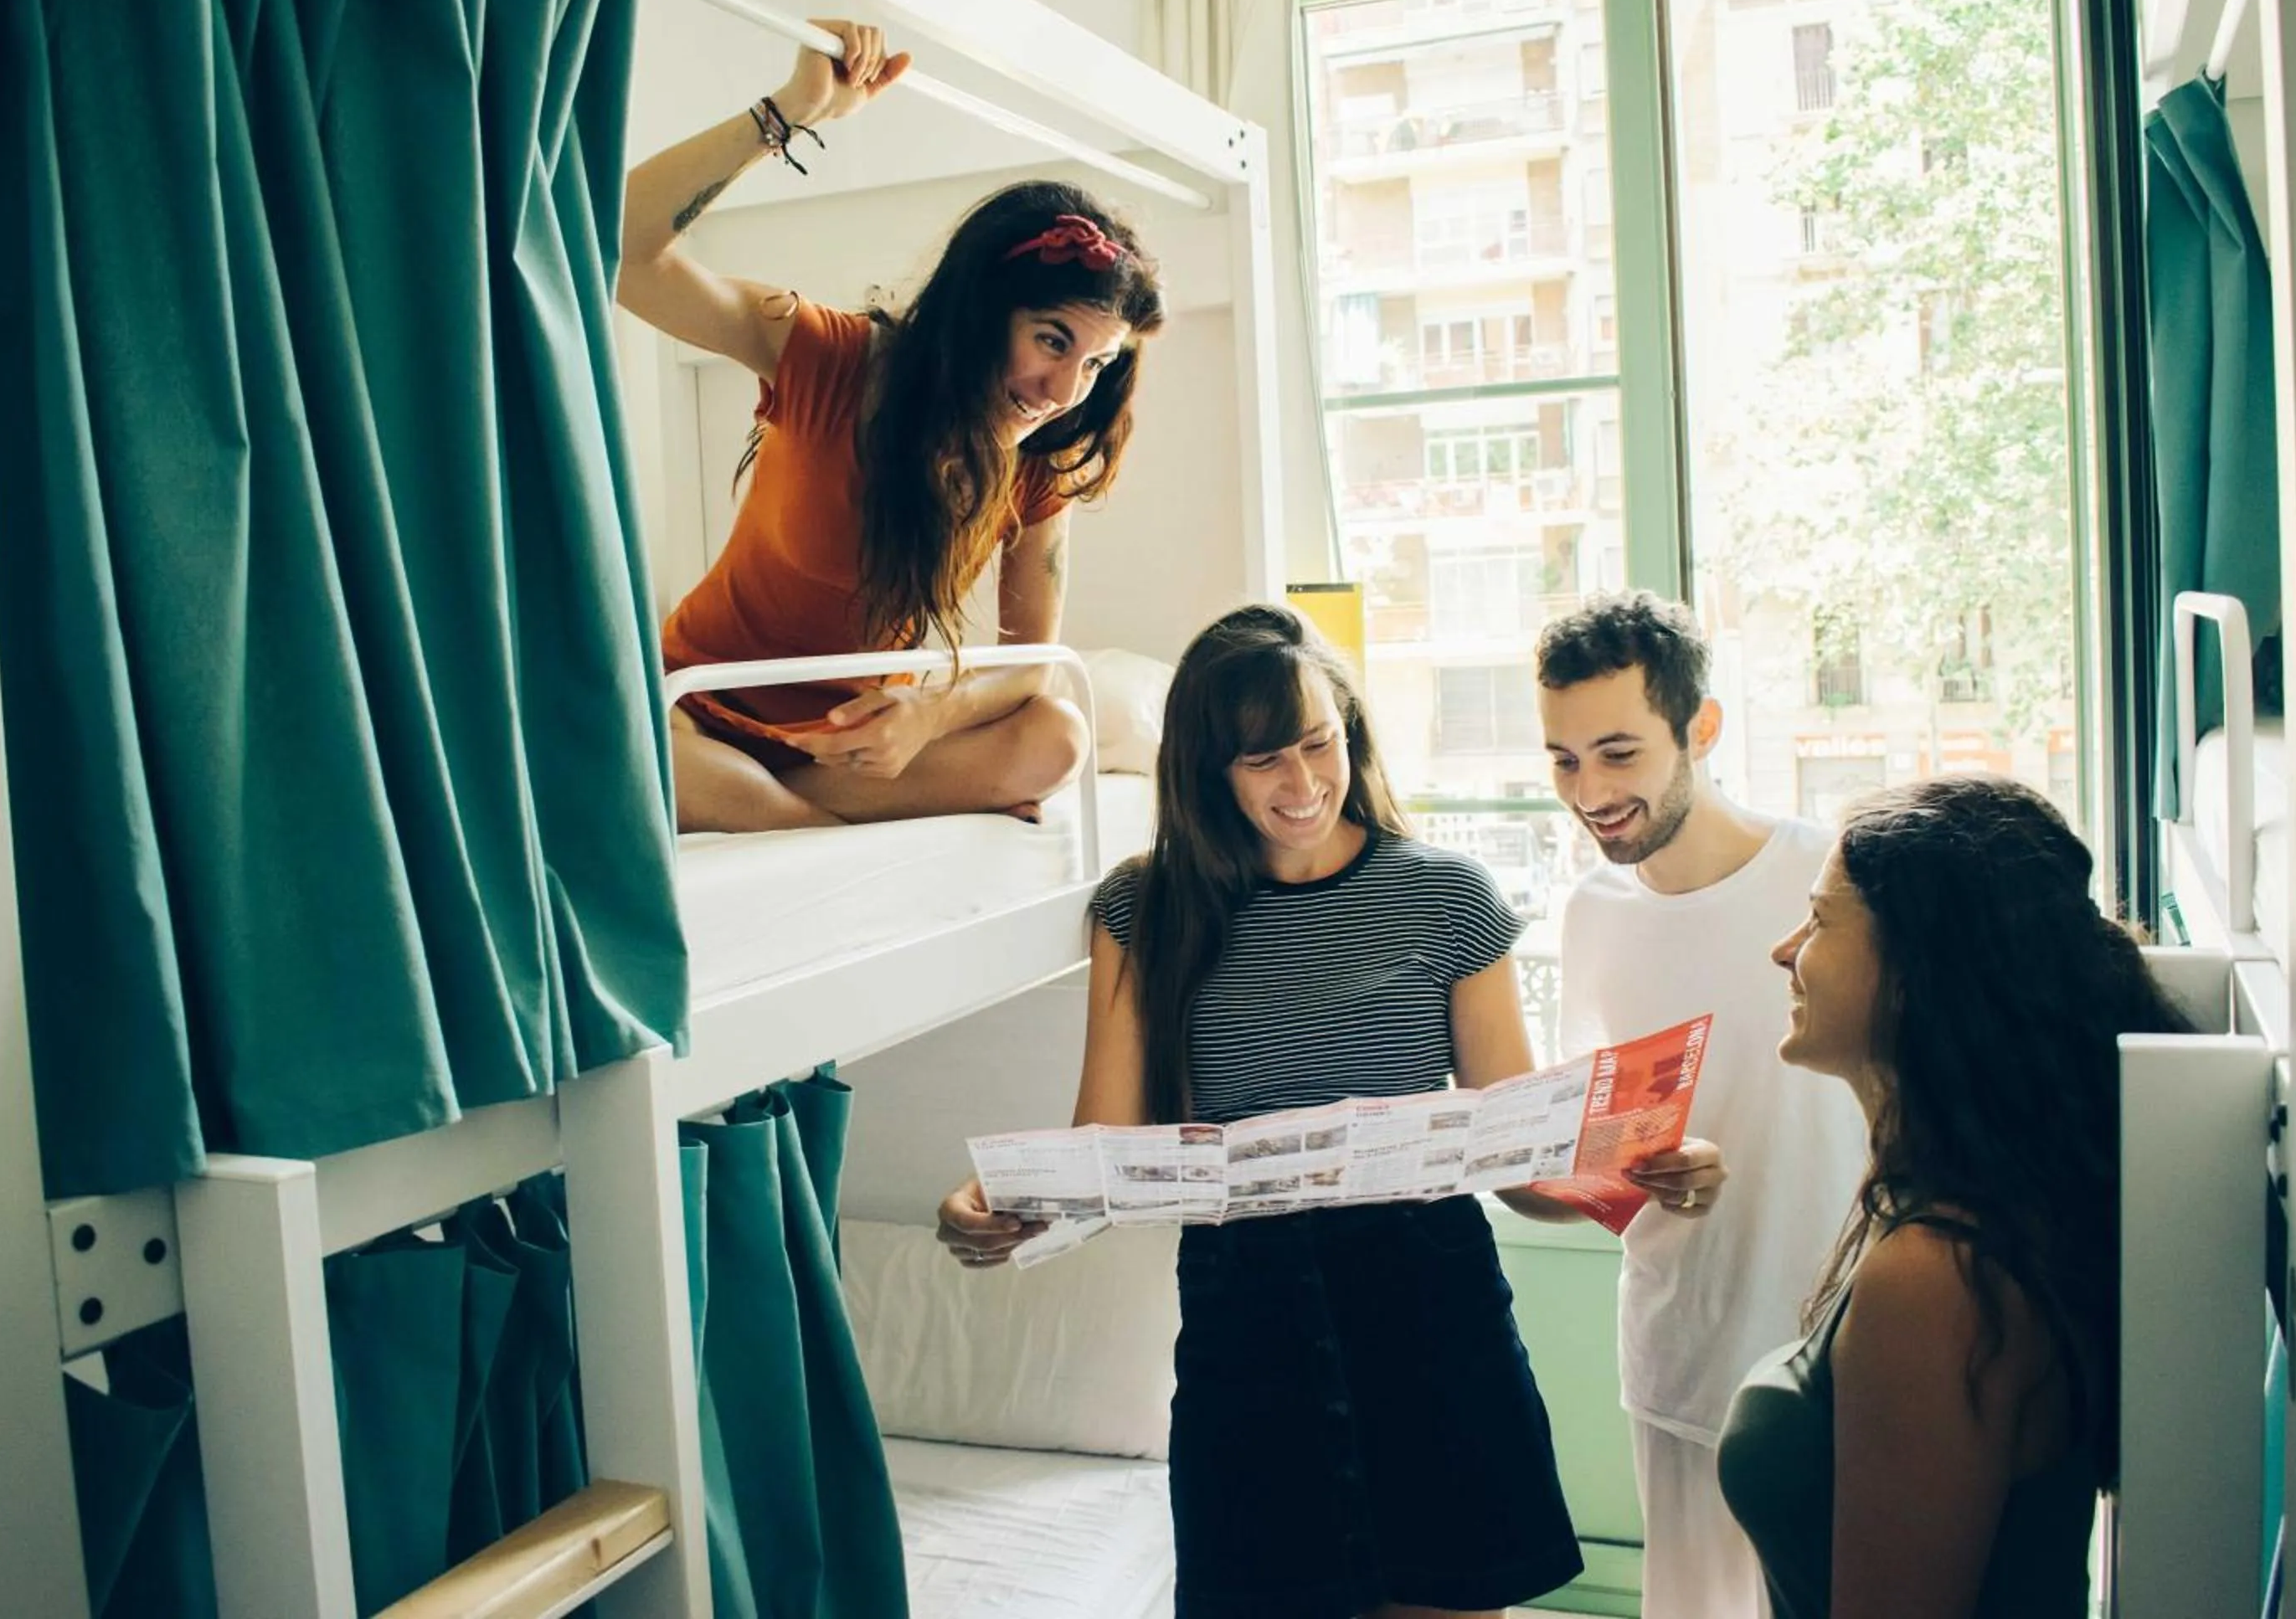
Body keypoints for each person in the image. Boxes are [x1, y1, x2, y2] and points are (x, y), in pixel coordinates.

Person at [936, 604, 1727, 1619]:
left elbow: (1522, 1164)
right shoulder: (1147, 909)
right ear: (1209, 769)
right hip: (1247, 1334)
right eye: (1264, 760)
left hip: (1434, 1321)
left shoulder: (1448, 897)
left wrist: (1643, 1168)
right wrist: (998, 1199)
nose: (1303, 784)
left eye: (1319, 744)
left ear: (1348, 729)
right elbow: (1106, 1154)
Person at [617, 20, 1166, 831]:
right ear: (983, 312)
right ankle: (801, 823)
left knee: (1059, 736)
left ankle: (771, 814)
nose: (1062, 390)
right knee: (628, 746)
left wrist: (928, 719)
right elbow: (624, 250)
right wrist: (790, 112)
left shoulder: (1039, 462)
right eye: (1052, 340)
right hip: (699, 713)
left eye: (1094, 365)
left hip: (860, 748)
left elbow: (1028, 668)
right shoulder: (829, 357)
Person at [1719, 774, 2186, 1618]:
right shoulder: (1953, 1200)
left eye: (1821, 920)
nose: (1786, 949)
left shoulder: (1937, 1279)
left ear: (1915, 972)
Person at [1534, 593, 1868, 1619]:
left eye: (1619, 752)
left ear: (1702, 729)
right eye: (1563, 759)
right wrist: (1636, 1170)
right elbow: (1582, 1160)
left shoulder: (1832, 877)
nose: (1589, 790)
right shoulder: (1587, 912)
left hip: (1843, 1359)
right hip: (1680, 1362)